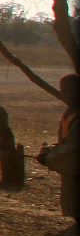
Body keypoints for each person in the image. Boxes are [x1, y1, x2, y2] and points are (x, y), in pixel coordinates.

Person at [36, 73, 79, 226]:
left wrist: (49, 158)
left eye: (70, 91)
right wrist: (50, 150)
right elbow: (66, 143)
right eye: (63, 91)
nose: (65, 95)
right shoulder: (70, 114)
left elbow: (73, 148)